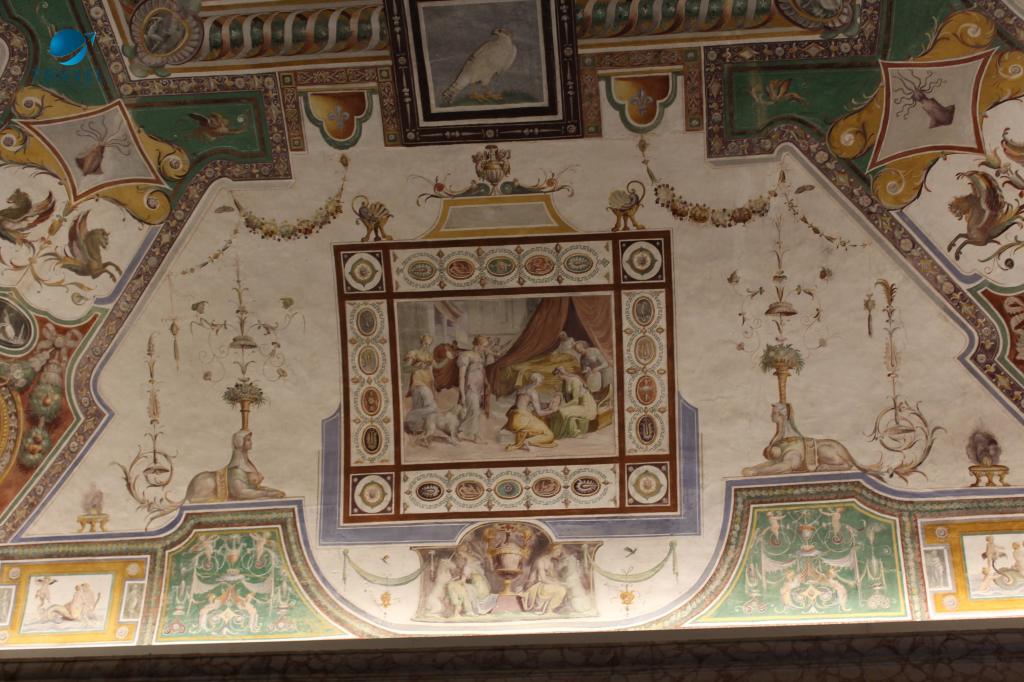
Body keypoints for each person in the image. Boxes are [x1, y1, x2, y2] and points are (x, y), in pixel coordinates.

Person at [503, 373, 557, 451]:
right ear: (536, 381)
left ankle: (528, 441)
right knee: (549, 435)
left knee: (538, 420)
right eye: (541, 380)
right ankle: (527, 442)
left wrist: (548, 405)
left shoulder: (522, 389)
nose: (542, 382)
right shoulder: (533, 392)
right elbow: (539, 413)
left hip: (515, 417)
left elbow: (529, 403)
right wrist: (552, 410)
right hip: (524, 419)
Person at [457, 335, 495, 443]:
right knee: (474, 411)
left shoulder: (480, 357)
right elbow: (461, 376)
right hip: (470, 388)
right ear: (478, 345)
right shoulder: (466, 355)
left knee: (475, 412)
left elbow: (483, 372)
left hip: (479, 389)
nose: (485, 348)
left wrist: (486, 385)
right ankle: (474, 436)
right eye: (484, 346)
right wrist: (462, 395)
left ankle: (462, 433)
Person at [550, 366, 597, 438]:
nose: (558, 378)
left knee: (563, 411)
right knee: (559, 412)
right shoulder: (565, 383)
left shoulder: (575, 381)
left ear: (560, 374)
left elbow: (575, 401)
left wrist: (562, 406)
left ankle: (575, 433)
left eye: (558, 375)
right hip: (578, 404)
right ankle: (557, 434)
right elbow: (567, 399)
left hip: (586, 405)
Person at [521, 545, 568, 614]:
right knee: (561, 589)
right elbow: (543, 579)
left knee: (562, 589)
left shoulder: (551, 562)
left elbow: (552, 578)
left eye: (559, 552)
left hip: (543, 585)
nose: (559, 554)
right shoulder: (540, 561)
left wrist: (559, 582)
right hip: (534, 586)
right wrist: (557, 583)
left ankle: (549, 609)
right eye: (557, 552)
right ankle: (548, 610)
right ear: (552, 550)